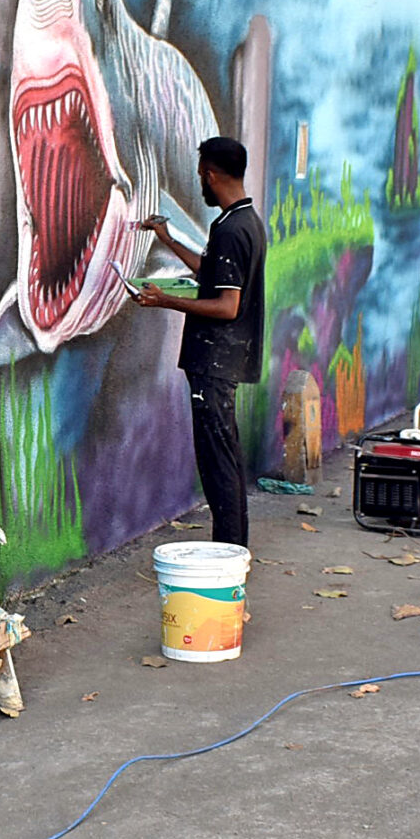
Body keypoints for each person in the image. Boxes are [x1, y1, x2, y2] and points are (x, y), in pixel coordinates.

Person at [133, 135, 266, 548]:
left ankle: (228, 555)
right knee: (223, 458)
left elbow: (227, 306)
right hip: (222, 362)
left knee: (219, 465)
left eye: (200, 176)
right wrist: (167, 239)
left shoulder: (229, 229)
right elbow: (211, 272)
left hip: (214, 363)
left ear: (210, 174)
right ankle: (232, 551)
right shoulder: (245, 221)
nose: (200, 184)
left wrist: (163, 300)